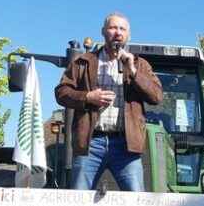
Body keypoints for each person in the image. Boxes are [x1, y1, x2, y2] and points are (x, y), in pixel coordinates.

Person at [55, 12, 163, 191]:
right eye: (113, 27)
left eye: (122, 29)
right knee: (78, 201)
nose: (118, 33)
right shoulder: (84, 62)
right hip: (91, 144)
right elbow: (61, 92)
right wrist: (88, 97)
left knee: (137, 201)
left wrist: (134, 72)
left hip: (126, 147)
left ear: (128, 35)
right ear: (103, 31)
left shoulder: (140, 64)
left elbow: (157, 96)